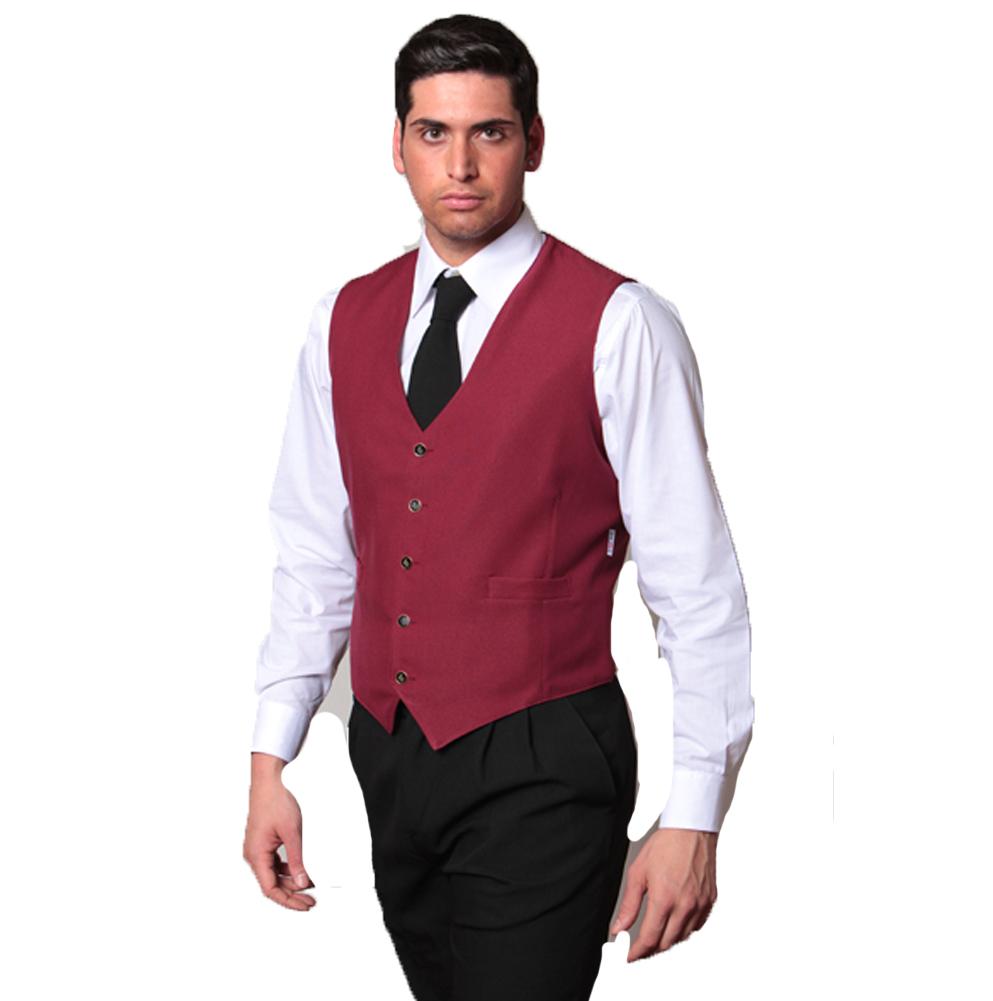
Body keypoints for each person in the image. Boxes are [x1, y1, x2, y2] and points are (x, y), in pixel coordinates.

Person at [243, 13, 754, 1001]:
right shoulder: (340, 320)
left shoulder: (620, 323)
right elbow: (316, 551)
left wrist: (695, 814)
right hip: (389, 751)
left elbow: (695, 585)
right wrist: (273, 757)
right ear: (397, 145)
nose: (461, 164)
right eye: (433, 132)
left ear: (534, 141)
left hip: (544, 753)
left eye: (490, 131)